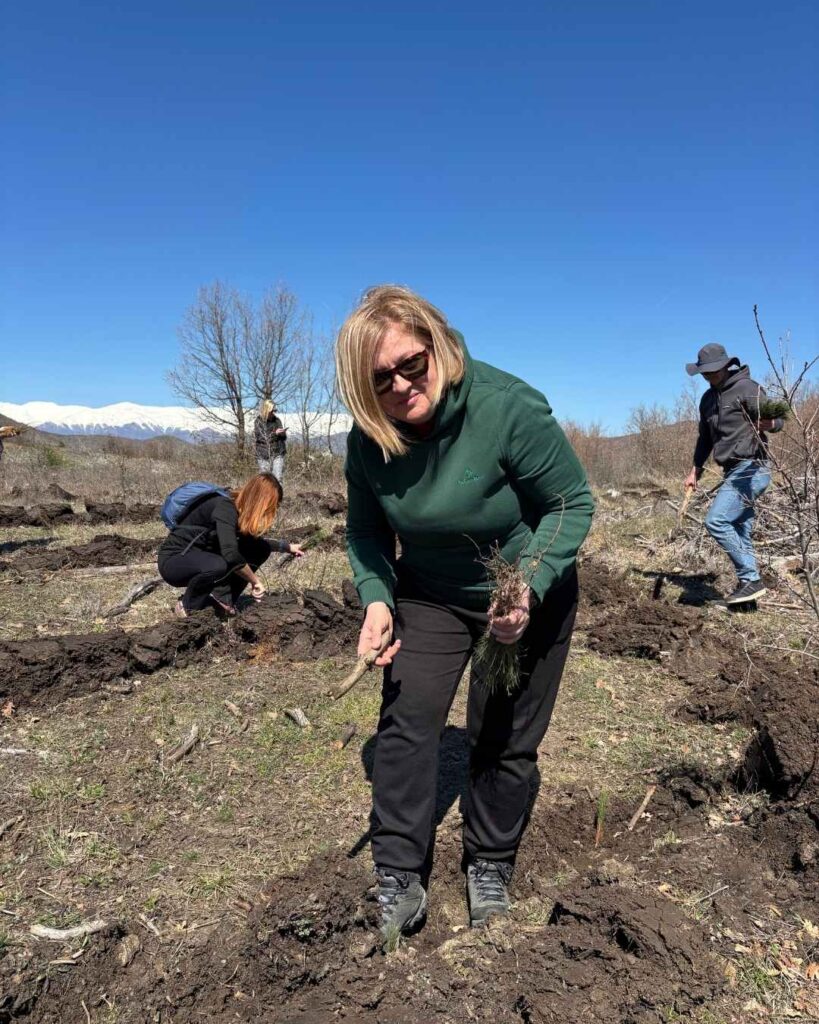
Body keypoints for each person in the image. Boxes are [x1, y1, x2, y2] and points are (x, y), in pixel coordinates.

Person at [336, 285, 594, 942]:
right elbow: (366, 531)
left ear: (438, 345)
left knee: (502, 732)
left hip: (522, 584)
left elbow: (569, 502)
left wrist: (526, 585)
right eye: (380, 378)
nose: (400, 386)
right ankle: (399, 871)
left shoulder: (504, 406)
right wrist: (376, 596)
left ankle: (489, 861)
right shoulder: (370, 440)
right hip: (429, 592)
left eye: (411, 364)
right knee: (407, 723)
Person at [684, 343, 784, 605]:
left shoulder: (747, 388)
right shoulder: (707, 400)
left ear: (726, 366)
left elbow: (779, 419)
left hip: (752, 466)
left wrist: (772, 423)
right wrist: (696, 468)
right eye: (705, 373)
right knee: (739, 528)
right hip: (731, 470)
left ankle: (751, 579)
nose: (709, 376)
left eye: (713, 371)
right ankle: (747, 597)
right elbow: (705, 439)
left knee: (716, 521)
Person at [157, 473, 304, 617]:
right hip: (173, 561)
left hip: (200, 560)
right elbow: (231, 554)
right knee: (217, 564)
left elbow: (253, 542)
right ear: (262, 502)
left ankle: (222, 600)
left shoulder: (237, 509)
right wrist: (255, 581)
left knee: (260, 549)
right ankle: (188, 607)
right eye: (272, 506)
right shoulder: (225, 507)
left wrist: (287, 547)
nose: (272, 511)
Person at [254, 400, 287, 484]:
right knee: (265, 480)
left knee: (278, 478)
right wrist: (275, 434)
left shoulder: (277, 420)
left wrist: (282, 433)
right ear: (267, 410)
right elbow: (260, 438)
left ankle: (278, 493)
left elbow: (284, 438)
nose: (274, 412)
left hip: (278, 452)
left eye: (275, 410)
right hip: (263, 454)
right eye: (272, 411)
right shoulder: (258, 421)